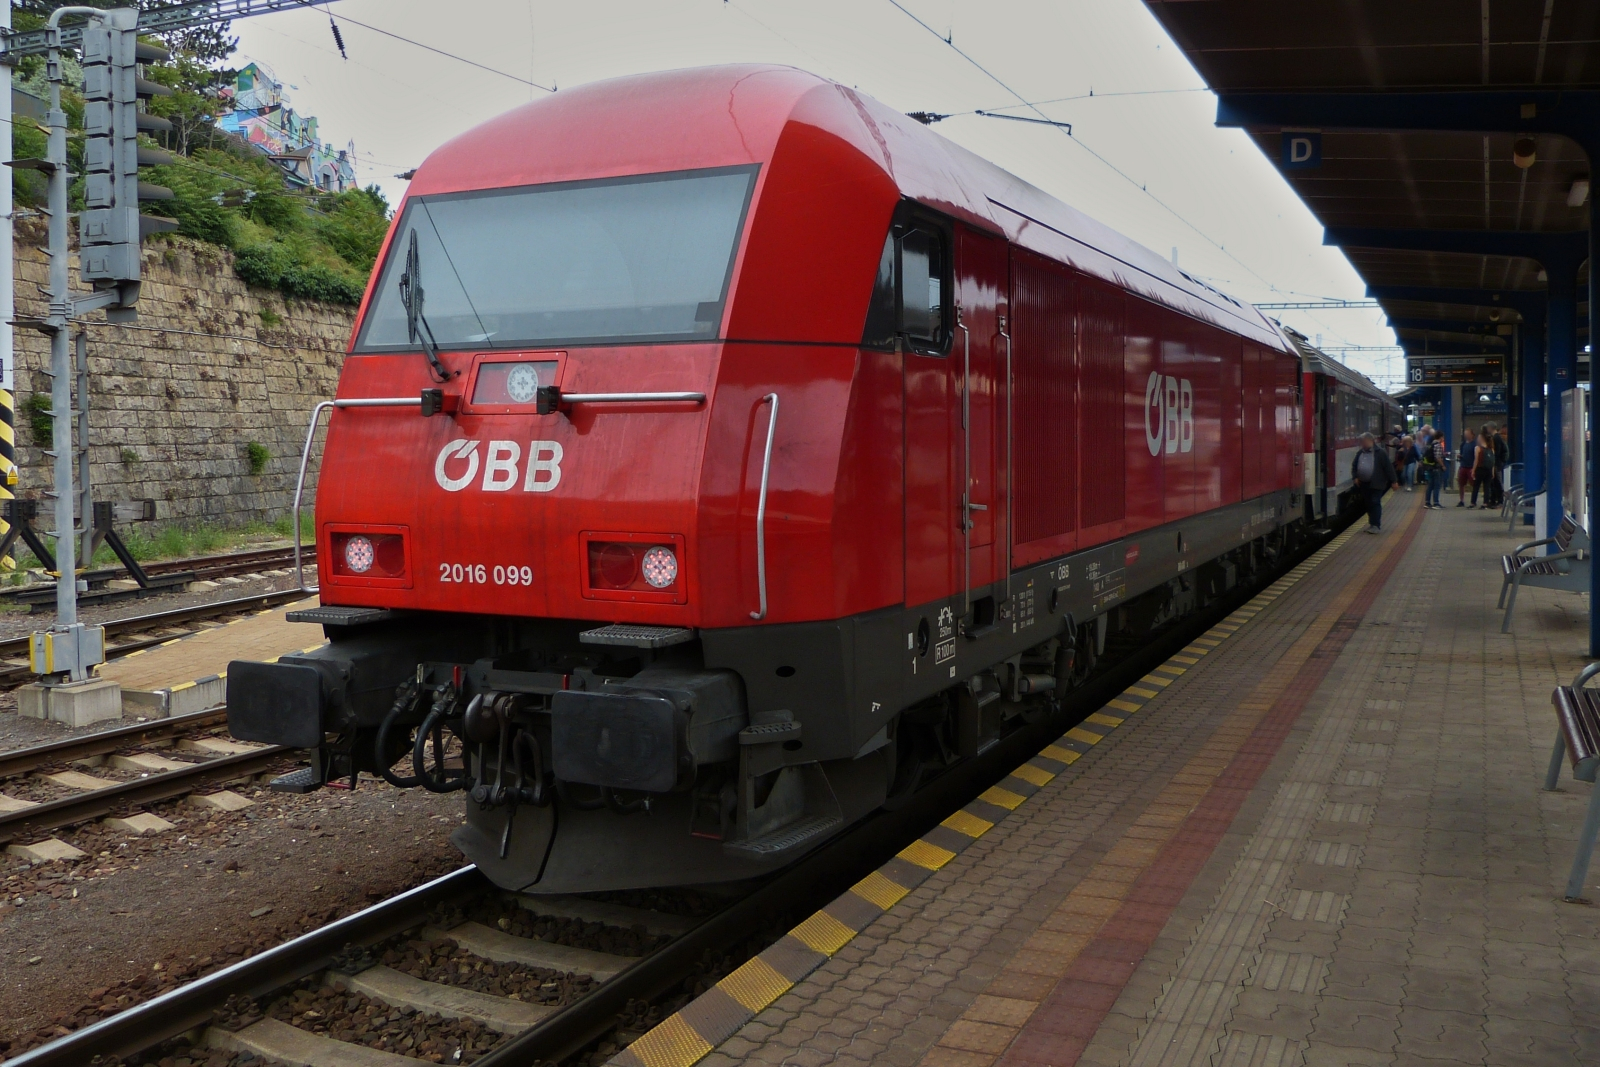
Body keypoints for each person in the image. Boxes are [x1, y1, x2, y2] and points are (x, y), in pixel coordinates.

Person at [1351, 431, 1397, 533]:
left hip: (1377, 483)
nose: (1362, 444)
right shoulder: (1360, 453)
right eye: (1361, 442)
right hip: (1363, 483)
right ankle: (1372, 523)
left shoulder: (1380, 453)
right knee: (1368, 504)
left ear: (1371, 441)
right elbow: (1354, 466)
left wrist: (1394, 481)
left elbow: (1388, 468)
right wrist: (1355, 477)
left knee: (1375, 502)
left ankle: (1376, 525)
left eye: (1364, 442)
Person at [1424, 430, 1448, 508]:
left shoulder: (1431, 444)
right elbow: (1437, 457)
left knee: (1430, 485)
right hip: (1436, 468)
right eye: (1443, 437)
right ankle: (1436, 503)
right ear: (1441, 437)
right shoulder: (1438, 445)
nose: (1443, 438)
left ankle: (1427, 502)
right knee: (1437, 486)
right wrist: (1443, 466)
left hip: (1430, 467)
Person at [1471, 431, 1495, 508]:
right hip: (1488, 470)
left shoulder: (1478, 448)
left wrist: (1473, 470)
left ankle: (1473, 502)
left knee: (1476, 486)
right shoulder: (1491, 449)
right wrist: (1492, 471)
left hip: (1480, 469)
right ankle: (1485, 503)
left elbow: (1476, 460)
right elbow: (1493, 462)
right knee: (1486, 487)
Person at [1457, 428, 1476, 507]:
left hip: (1471, 467)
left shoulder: (1475, 444)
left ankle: (1473, 500)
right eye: (1465, 434)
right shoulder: (1463, 444)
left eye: (1467, 434)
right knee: (1461, 484)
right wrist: (1460, 457)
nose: (1466, 436)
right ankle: (1461, 500)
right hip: (1463, 466)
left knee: (1473, 484)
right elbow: (1461, 454)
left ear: (1472, 435)